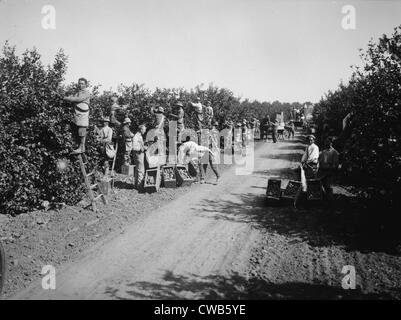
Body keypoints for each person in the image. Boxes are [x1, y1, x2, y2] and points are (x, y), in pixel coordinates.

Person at [63, 78, 91, 154]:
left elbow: (78, 99)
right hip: (77, 113)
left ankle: (81, 148)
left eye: (82, 83)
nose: (80, 85)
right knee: (77, 129)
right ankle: (79, 146)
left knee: (82, 129)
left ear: (85, 85)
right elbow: (73, 97)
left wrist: (66, 98)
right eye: (79, 83)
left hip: (82, 114)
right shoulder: (77, 92)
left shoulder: (86, 92)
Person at [133, 124, 147, 189]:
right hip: (138, 155)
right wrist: (141, 148)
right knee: (141, 170)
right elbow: (134, 147)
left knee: (138, 170)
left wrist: (143, 147)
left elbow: (140, 145)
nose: (145, 131)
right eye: (144, 130)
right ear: (141, 129)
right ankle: (140, 186)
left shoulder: (140, 136)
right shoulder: (136, 137)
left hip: (140, 154)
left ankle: (136, 185)